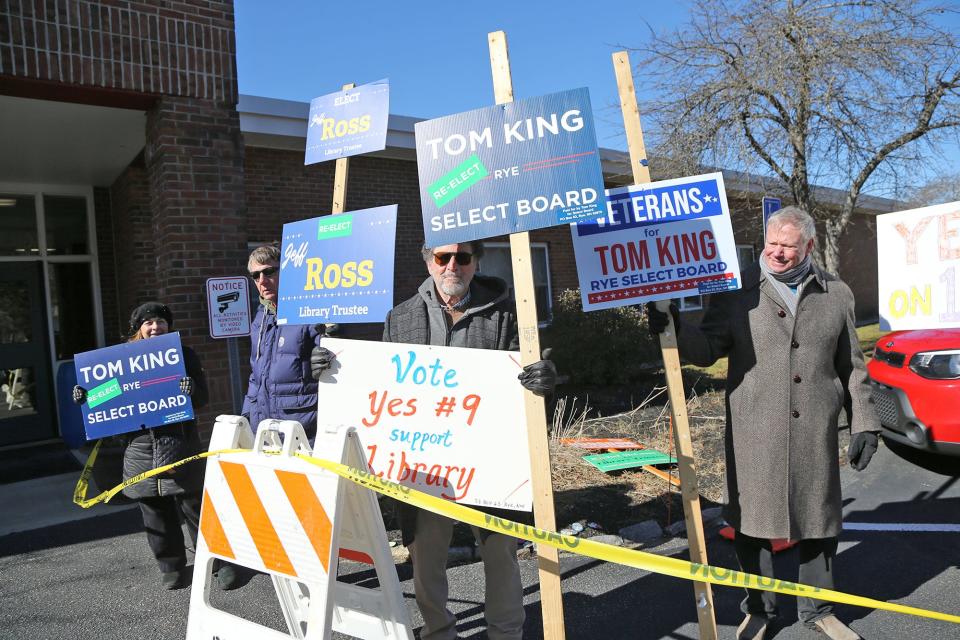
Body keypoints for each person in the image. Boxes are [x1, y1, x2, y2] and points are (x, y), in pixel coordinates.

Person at [647, 206, 880, 640]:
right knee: (751, 524)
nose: (777, 253)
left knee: (819, 520)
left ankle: (820, 611)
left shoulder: (837, 294)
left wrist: (865, 421)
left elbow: (853, 366)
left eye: (788, 246)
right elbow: (707, 349)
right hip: (754, 430)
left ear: (808, 246)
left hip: (815, 428)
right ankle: (760, 607)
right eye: (772, 244)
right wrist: (675, 326)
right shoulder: (737, 291)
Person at [313, 240, 555, 640]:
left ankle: (506, 634)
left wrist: (544, 379)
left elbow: (526, 379)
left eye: (462, 258)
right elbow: (377, 383)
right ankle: (439, 632)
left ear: (476, 262)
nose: (452, 266)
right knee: (425, 561)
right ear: (428, 262)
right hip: (425, 466)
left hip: (490, 462)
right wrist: (330, 368)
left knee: (501, 557)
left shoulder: (508, 315)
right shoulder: (400, 317)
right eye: (443, 257)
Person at [73, 302, 208, 590]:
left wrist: (191, 389)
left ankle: (216, 563)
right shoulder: (122, 363)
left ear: (169, 326)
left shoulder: (183, 356)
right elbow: (108, 396)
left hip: (181, 445)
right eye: (148, 323)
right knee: (154, 513)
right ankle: (171, 566)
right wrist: (86, 396)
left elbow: (202, 399)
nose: (155, 327)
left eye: (160, 321)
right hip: (140, 451)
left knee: (196, 509)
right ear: (139, 329)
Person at [243, 243, 323, 438]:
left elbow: (334, 358)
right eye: (256, 275)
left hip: (303, 429)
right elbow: (256, 376)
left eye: (268, 272)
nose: (262, 280)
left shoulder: (309, 310)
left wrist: (327, 355)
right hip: (264, 428)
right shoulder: (260, 318)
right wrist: (246, 416)